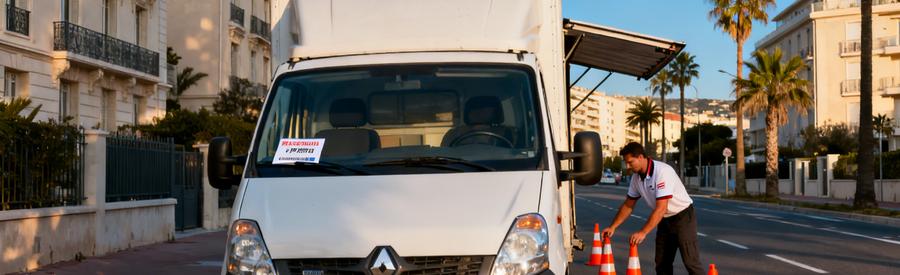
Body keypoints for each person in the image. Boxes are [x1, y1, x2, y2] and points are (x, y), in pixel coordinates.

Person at [601, 142, 703, 275]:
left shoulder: (662, 172)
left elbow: (661, 208)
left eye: (630, 162)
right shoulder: (636, 179)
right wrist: (613, 226)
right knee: (662, 263)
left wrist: (643, 232)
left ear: (641, 157)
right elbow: (628, 205)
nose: (628, 166)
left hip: (683, 217)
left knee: (691, 262)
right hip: (665, 220)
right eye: (626, 163)